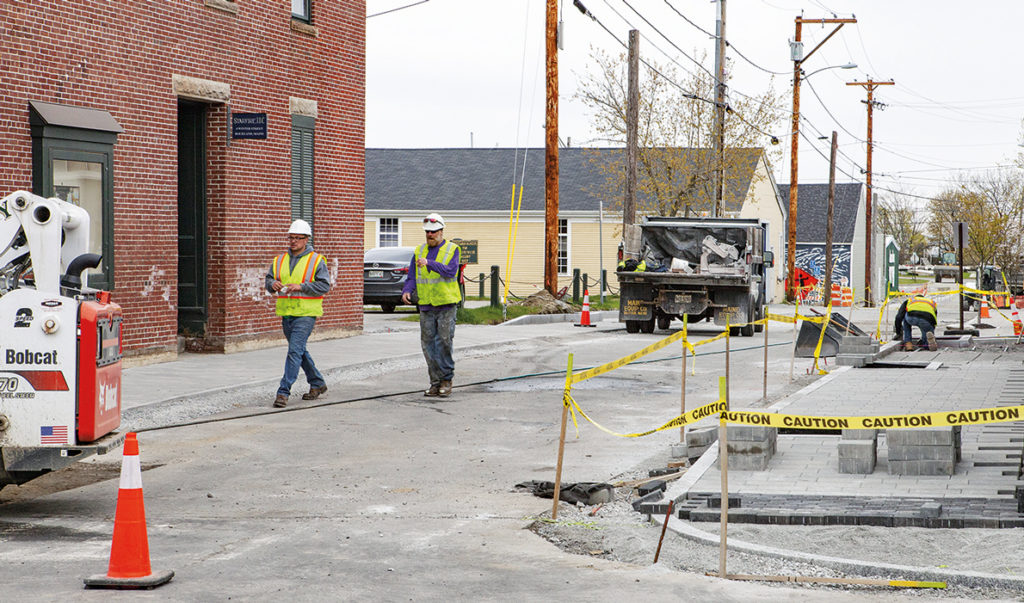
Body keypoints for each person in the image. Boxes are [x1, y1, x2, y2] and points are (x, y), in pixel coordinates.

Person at [265, 219, 331, 407]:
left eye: (297, 238)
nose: (293, 241)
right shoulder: (279, 260)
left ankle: (283, 392)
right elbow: (269, 279)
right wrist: (273, 284)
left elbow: (324, 285)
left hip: (306, 313)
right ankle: (317, 383)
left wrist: (300, 287)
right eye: (291, 237)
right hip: (287, 313)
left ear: (306, 239)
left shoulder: (316, 260)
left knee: (294, 351)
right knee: (299, 352)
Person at [401, 213, 461, 397]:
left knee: (443, 342)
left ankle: (446, 380)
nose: (430, 235)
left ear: (442, 232)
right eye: (428, 232)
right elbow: (412, 275)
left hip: (446, 304)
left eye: (434, 232)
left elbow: (450, 271)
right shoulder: (418, 251)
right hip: (426, 306)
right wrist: (407, 290)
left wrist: (430, 263)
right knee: (428, 345)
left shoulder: (452, 249)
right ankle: (435, 382)